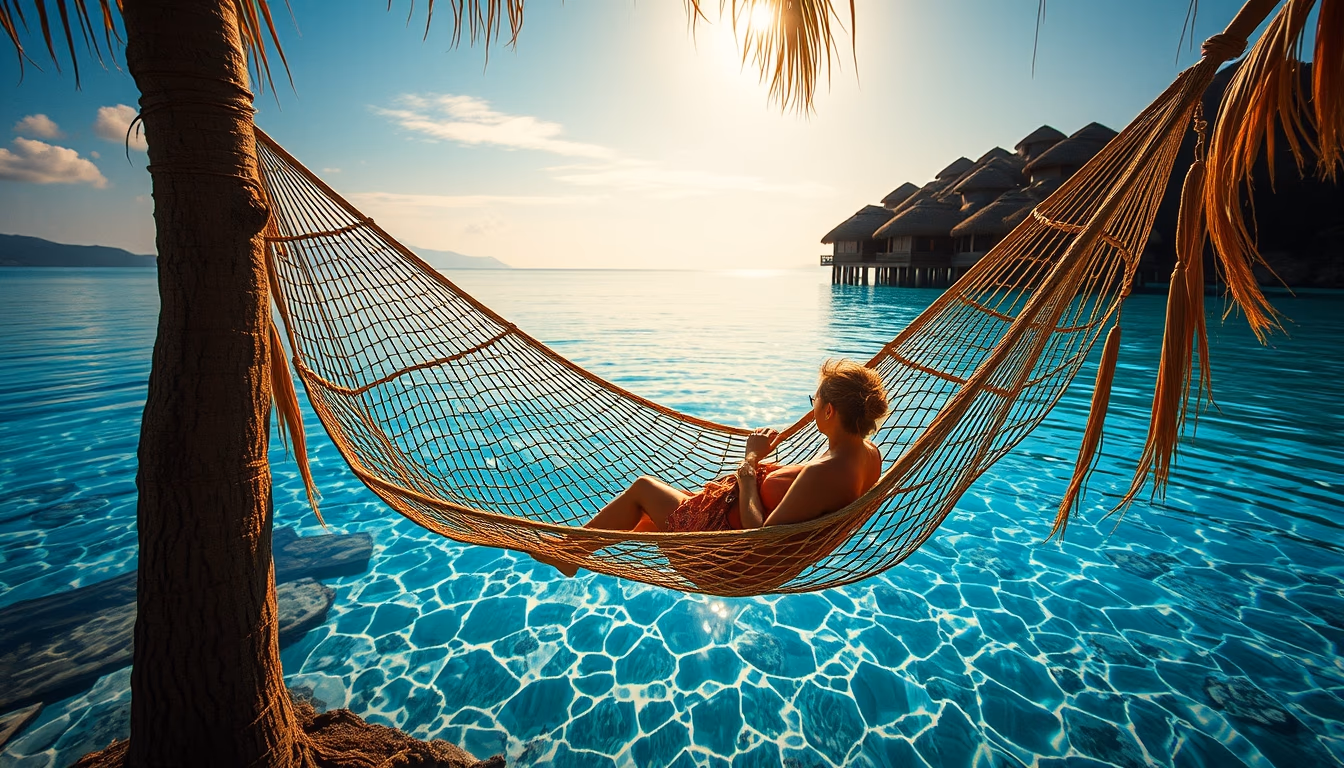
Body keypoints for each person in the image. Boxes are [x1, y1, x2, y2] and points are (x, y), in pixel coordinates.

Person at [533, 359, 889, 577]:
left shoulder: (823, 474)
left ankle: (569, 554)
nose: (812, 408)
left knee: (643, 488)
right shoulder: (870, 456)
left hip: (727, 560)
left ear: (829, 412)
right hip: (725, 533)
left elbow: (760, 539)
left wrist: (749, 466)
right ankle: (575, 549)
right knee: (648, 518)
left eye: (815, 401)